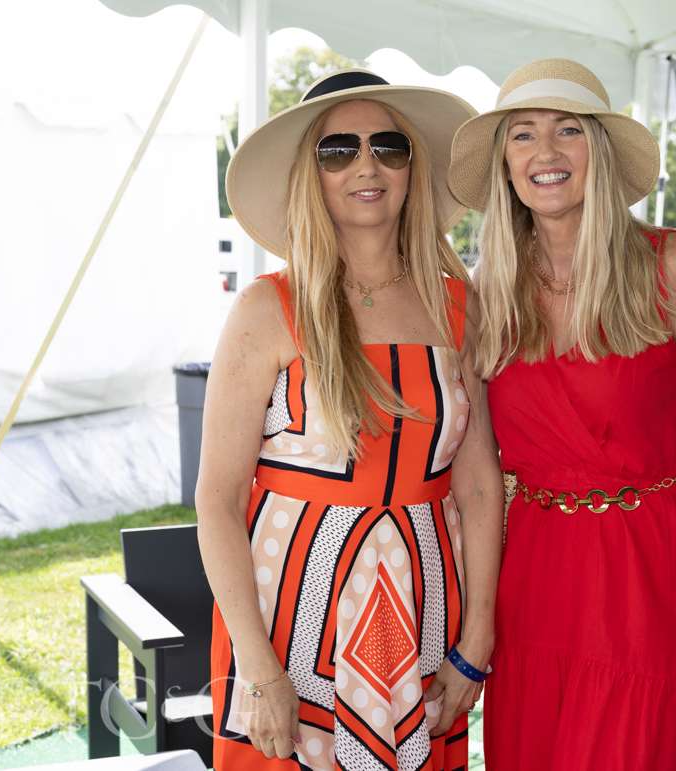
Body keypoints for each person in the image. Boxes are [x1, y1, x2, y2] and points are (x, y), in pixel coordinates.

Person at [448, 58, 676, 770]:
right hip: (538, 577)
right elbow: (477, 469)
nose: (546, 152)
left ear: (601, 151)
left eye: (568, 130)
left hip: (660, 573)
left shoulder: (675, 265)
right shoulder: (489, 292)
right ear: (505, 165)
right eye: (523, 135)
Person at [197, 69, 504, 770]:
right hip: (285, 623)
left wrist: (477, 638)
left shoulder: (459, 306)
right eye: (338, 151)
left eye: (389, 147)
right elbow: (217, 499)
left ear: (411, 168)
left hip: (426, 616)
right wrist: (258, 665)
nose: (367, 165)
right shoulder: (267, 308)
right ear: (312, 174)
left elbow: (480, 486)